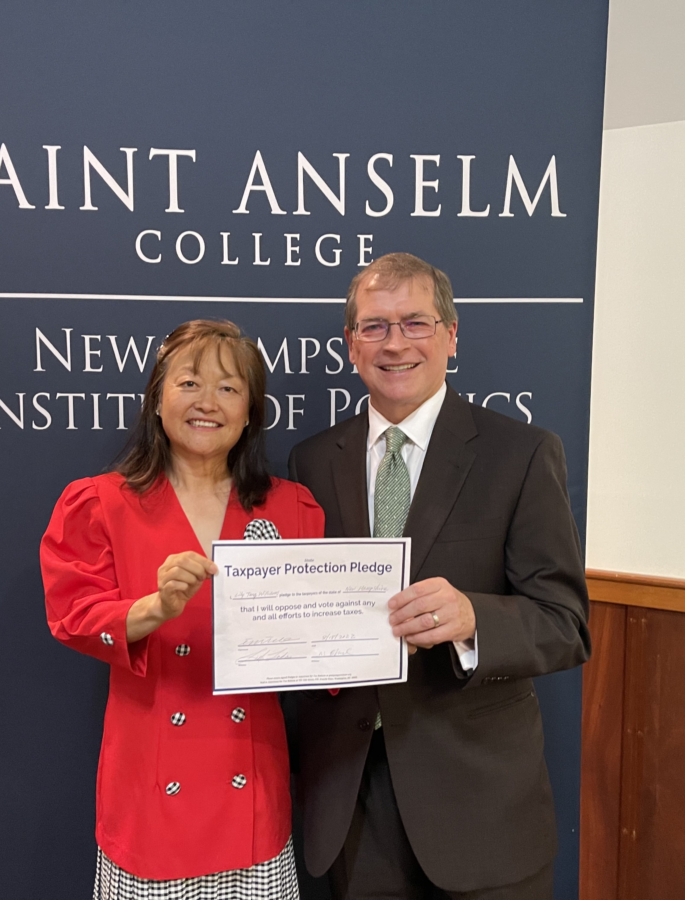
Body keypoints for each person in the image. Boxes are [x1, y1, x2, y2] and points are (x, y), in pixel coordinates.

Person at [287, 253, 591, 900]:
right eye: (374, 326)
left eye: (415, 323)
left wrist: (475, 619)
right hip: (353, 803)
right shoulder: (311, 461)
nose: (394, 343)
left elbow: (565, 624)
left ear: (451, 336)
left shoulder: (522, 454)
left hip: (480, 808)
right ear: (351, 345)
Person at [41, 319, 325, 899]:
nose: (207, 402)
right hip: (149, 788)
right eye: (190, 383)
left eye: (229, 388)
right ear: (157, 398)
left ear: (250, 412)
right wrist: (156, 607)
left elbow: (319, 634)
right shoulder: (101, 502)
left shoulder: (292, 507)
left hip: (250, 785)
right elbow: (73, 616)